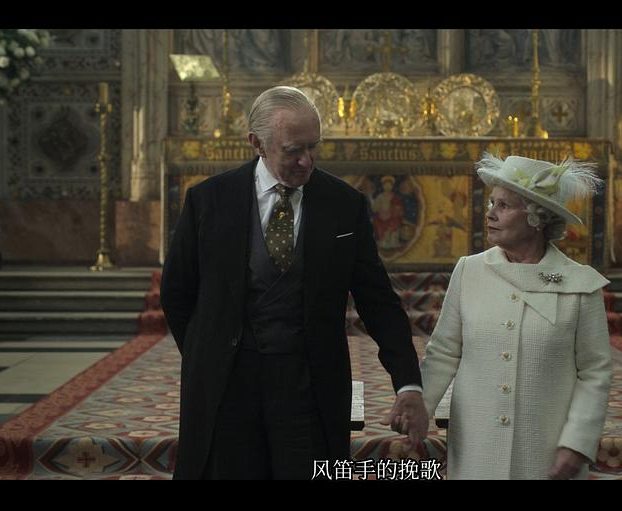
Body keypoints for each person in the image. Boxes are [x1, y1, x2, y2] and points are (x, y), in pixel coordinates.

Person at [160, 86, 427, 480]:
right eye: (293, 150)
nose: (307, 160)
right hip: (228, 389)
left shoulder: (344, 205)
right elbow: (177, 293)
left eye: (313, 147)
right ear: (257, 143)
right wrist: (209, 353)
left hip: (311, 385)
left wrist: (408, 384)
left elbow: (378, 302)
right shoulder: (209, 200)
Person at [414, 153, 612, 480]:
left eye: (503, 205)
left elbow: (595, 372)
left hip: (545, 449)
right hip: (477, 445)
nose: (490, 213)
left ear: (537, 217)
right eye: (491, 202)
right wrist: (420, 406)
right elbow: (444, 351)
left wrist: (577, 444)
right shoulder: (469, 271)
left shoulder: (580, 284)